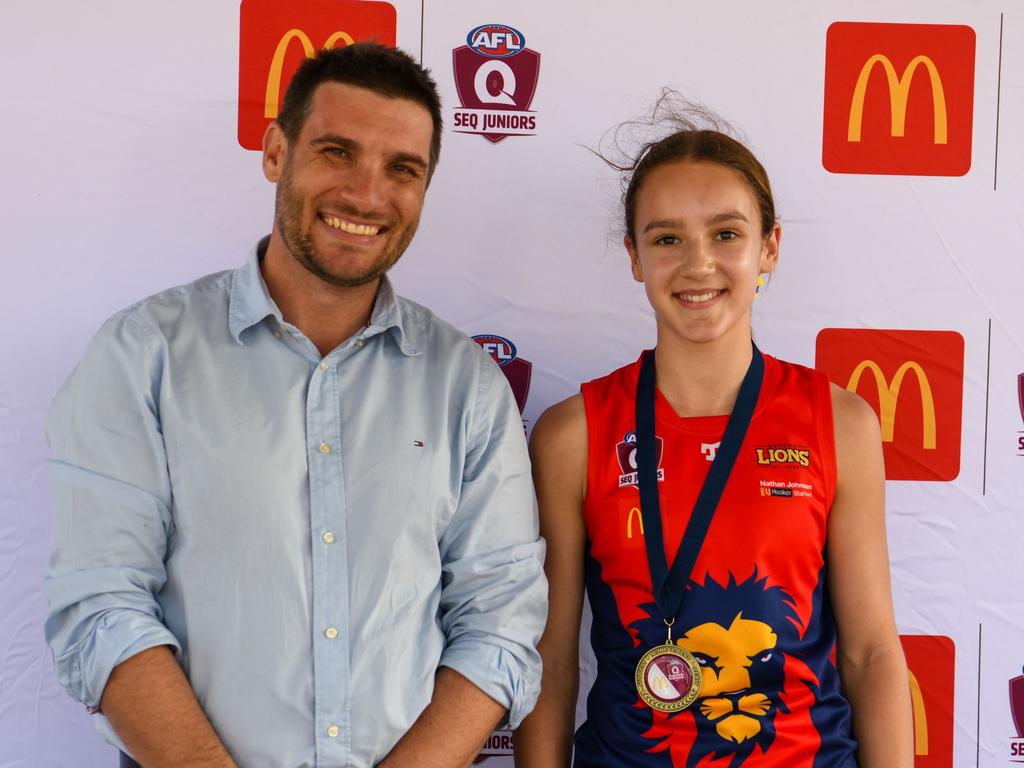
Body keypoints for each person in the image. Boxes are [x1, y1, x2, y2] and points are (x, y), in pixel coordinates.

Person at [44, 43, 546, 768]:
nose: (368, 195)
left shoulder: (467, 386)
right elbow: (101, 608)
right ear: (276, 151)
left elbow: (500, 627)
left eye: (402, 169)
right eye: (338, 152)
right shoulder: (142, 356)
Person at [514, 112, 913, 766]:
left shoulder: (839, 423)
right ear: (635, 258)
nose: (698, 264)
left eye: (726, 233)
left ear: (770, 248)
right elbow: (552, 664)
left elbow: (871, 653)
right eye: (667, 238)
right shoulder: (575, 435)